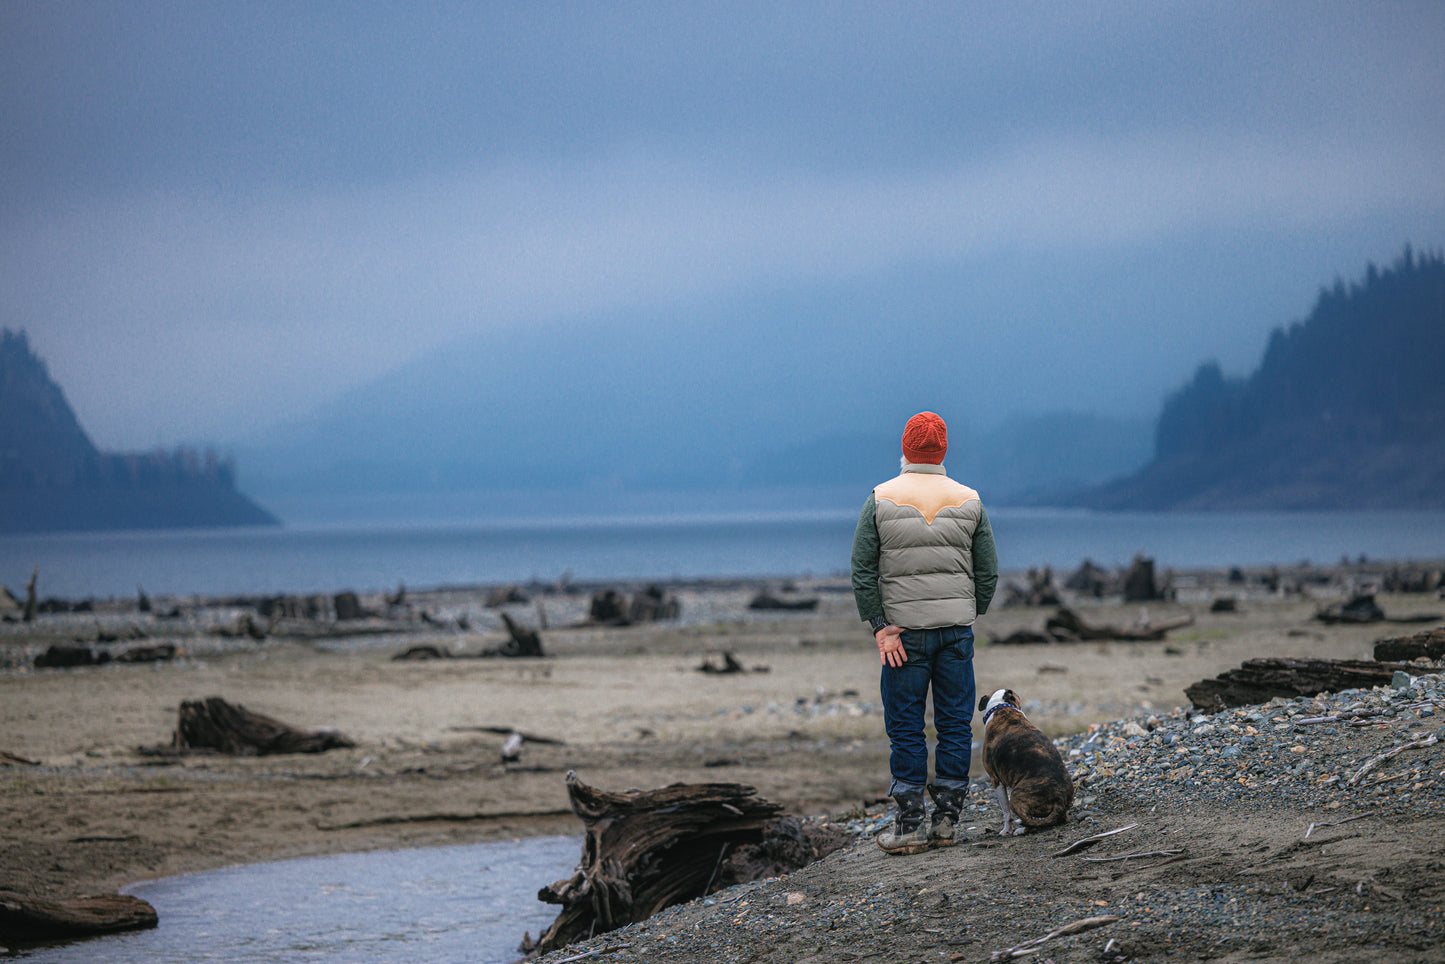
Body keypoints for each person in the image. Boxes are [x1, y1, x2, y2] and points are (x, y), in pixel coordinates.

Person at [850, 411, 998, 854]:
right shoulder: (970, 499)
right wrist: (969, 612)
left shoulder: (879, 498)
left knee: (906, 726)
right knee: (955, 723)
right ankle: (947, 822)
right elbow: (987, 571)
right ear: (943, 450)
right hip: (956, 632)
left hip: (903, 636)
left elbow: (862, 570)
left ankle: (910, 826)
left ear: (906, 448)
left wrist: (881, 628)